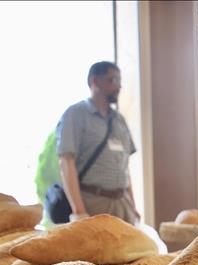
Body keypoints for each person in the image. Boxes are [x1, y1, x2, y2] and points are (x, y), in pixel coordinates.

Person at [56, 61, 141, 224]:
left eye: (120, 81)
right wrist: (79, 211)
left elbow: (125, 166)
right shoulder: (75, 115)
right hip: (93, 202)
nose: (119, 87)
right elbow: (66, 162)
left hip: (123, 203)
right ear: (94, 81)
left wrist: (133, 206)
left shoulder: (119, 120)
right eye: (113, 80)